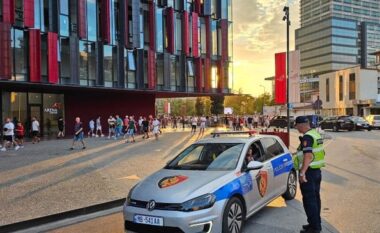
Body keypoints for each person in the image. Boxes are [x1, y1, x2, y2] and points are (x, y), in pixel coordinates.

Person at [294, 116, 325, 233]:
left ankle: (315, 228)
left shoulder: (307, 137)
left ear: (301, 125)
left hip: (309, 172)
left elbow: (308, 155)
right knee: (315, 198)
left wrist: (302, 173)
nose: (296, 128)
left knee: (309, 200)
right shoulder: (315, 134)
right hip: (316, 171)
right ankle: (315, 223)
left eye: (296, 126)